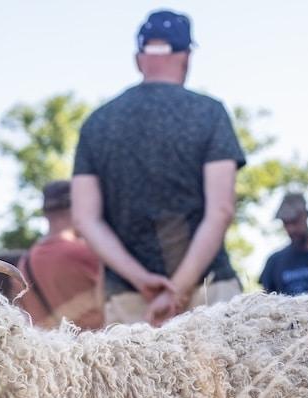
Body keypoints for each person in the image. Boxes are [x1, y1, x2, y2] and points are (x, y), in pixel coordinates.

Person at [72, 9, 246, 328]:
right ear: (186, 56)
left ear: (139, 58)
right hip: (209, 292)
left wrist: (143, 281)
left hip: (130, 302)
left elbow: (85, 219)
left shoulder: (97, 124)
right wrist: (178, 289)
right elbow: (221, 210)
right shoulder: (210, 113)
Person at [12, 180, 103, 330]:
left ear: (46, 214)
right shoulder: (87, 253)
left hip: (53, 350)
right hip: (100, 349)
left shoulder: (23, 265)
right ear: (77, 208)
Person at [260, 193, 308, 295]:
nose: (291, 229)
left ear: (306, 215)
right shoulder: (274, 261)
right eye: (286, 223)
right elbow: (266, 301)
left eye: (295, 221)